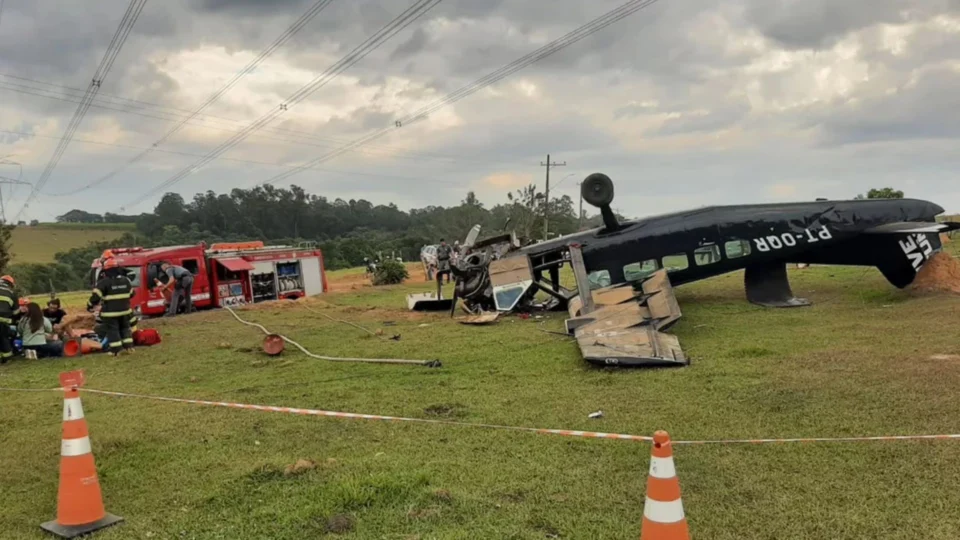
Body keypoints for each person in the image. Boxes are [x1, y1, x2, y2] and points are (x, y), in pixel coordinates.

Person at [87, 258, 135, 355]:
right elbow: (132, 294)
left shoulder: (104, 282)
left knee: (113, 330)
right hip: (125, 311)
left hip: (110, 313)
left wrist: (89, 305)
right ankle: (129, 348)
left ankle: (117, 350)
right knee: (125, 328)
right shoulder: (126, 280)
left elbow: (95, 297)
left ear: (106, 271)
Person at [0, 275, 17, 364]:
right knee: (3, 338)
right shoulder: (11, 294)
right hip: (3, 321)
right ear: (10, 284)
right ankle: (7, 358)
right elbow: (16, 312)